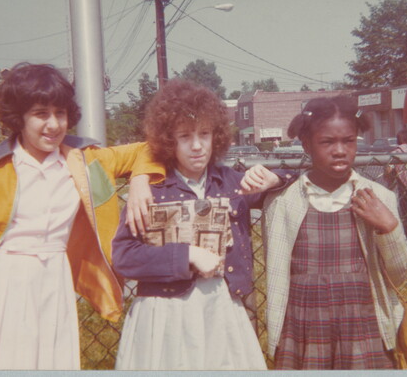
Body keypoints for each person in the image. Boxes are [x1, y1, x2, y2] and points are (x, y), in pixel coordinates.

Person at [0, 63, 164, 370]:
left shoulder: (86, 161)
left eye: (60, 113)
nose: (53, 124)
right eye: (40, 114)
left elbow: (149, 149)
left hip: (53, 282)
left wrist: (140, 180)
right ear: (19, 118)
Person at [111, 78, 287, 370]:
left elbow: (296, 178)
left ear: (216, 136)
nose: (196, 146)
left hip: (221, 307)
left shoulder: (231, 182)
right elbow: (124, 256)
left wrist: (275, 178)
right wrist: (185, 255)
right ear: (169, 140)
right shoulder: (152, 189)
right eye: (184, 136)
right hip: (166, 312)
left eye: (204, 134)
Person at [263, 95, 407, 370]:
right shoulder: (282, 203)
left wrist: (388, 228)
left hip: (363, 325)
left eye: (349, 141)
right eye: (327, 142)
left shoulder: (380, 198)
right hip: (303, 327)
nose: (340, 150)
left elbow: (400, 276)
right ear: (307, 144)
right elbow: (277, 275)